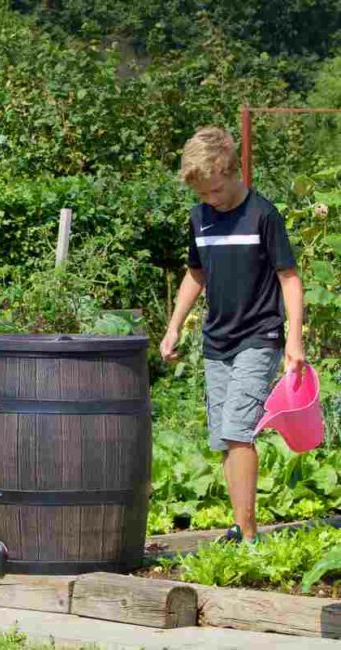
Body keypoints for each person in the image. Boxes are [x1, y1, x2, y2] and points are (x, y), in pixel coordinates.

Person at [160, 126, 305, 542]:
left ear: (233, 171)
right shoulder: (199, 218)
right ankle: (240, 527)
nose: (211, 200)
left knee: (240, 431)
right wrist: (174, 326)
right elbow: (196, 274)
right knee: (225, 437)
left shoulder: (263, 214)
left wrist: (294, 340)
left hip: (258, 336)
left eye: (216, 191)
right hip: (216, 340)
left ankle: (246, 532)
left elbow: (289, 278)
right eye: (203, 195)